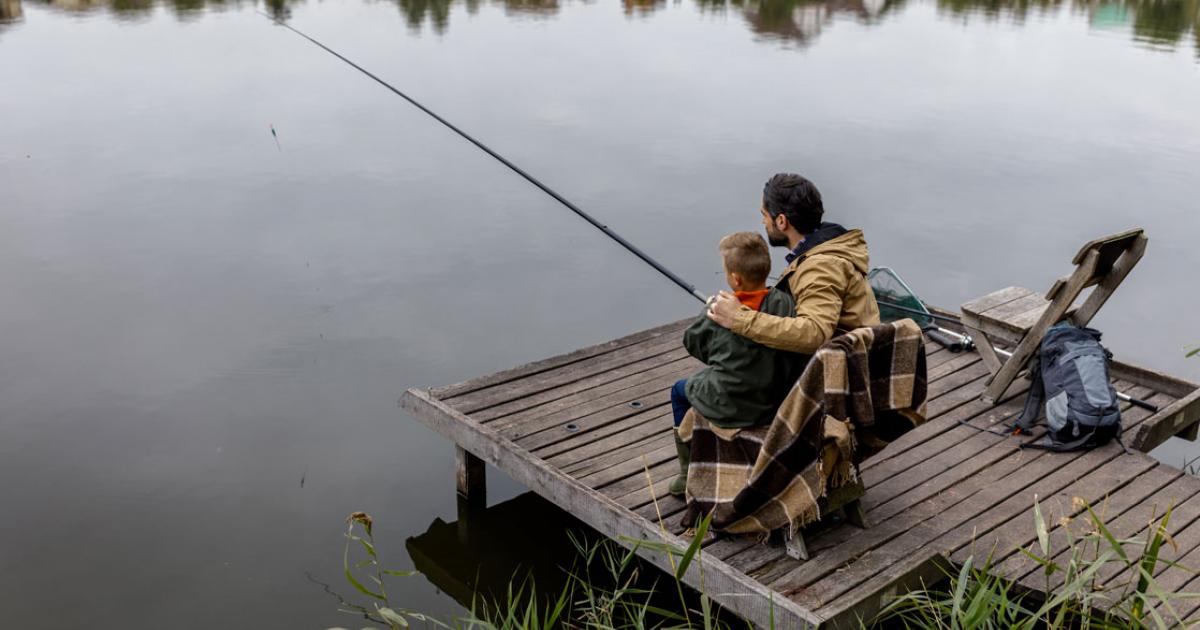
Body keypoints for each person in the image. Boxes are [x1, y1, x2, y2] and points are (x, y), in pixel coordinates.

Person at [668, 232, 797, 496]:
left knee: (679, 391)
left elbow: (693, 342)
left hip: (733, 404)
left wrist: (711, 310)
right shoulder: (783, 303)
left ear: (734, 278)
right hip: (773, 401)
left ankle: (686, 474)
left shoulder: (720, 311)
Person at [707, 173, 880, 355]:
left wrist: (738, 318)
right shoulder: (823, 249)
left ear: (781, 221)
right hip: (847, 355)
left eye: (764, 215)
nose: (763, 221)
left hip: (845, 369)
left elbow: (814, 333)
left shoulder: (821, 266)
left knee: (683, 385)